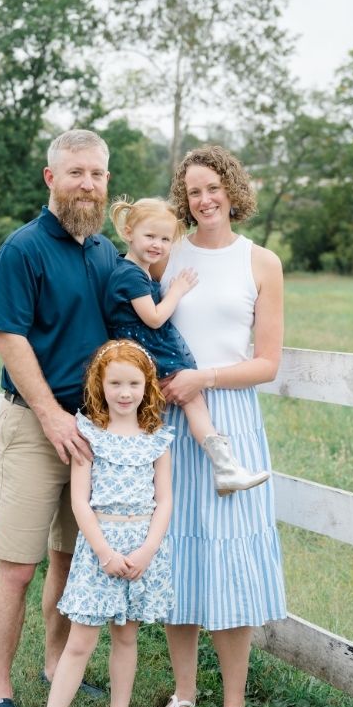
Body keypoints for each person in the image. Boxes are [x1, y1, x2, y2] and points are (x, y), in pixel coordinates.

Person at [0, 129, 120, 707]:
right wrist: (51, 415)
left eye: (97, 174)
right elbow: (10, 336)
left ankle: (55, 663)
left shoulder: (108, 253)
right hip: (38, 426)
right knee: (18, 565)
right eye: (76, 173)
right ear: (50, 178)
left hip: (92, 432)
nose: (87, 184)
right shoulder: (25, 248)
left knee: (70, 559)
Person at [147, 144, 287, 707]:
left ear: (232, 190)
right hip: (171, 419)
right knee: (176, 545)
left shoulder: (261, 262)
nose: (204, 199)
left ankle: (234, 704)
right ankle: (184, 692)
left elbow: (268, 363)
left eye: (214, 188)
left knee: (229, 553)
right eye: (194, 190)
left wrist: (205, 376)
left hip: (229, 417)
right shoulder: (167, 256)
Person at [19, 339, 175, 707]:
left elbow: (165, 502)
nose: (125, 393)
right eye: (116, 383)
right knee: (80, 643)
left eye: (134, 383)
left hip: (141, 550)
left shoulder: (157, 438)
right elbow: (79, 502)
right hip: (99, 550)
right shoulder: (88, 432)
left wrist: (146, 551)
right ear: (99, 384)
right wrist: (105, 552)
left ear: (147, 386)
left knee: (126, 638)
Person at [106, 196, 269, 494]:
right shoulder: (130, 275)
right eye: (150, 236)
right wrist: (177, 290)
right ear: (129, 233)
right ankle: (225, 467)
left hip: (146, 353)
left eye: (166, 239)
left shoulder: (137, 270)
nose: (158, 244)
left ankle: (225, 467)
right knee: (193, 401)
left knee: (191, 404)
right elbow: (154, 319)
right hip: (148, 354)